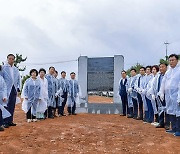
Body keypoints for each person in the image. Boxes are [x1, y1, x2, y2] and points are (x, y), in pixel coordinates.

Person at [159, 54, 180, 136]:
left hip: (176, 94)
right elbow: (163, 82)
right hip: (169, 95)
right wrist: (161, 92)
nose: (171, 62)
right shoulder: (168, 71)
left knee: (178, 112)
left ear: (177, 60)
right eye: (170, 60)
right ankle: (173, 128)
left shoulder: (179, 70)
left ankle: (178, 129)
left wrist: (179, 96)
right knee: (170, 111)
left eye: (173, 60)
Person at [1, 54, 20, 128]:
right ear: (7, 59)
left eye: (12, 59)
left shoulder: (16, 69)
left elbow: (18, 79)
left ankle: (10, 121)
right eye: (10, 59)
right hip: (6, 89)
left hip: (13, 88)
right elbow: (1, 78)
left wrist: (18, 88)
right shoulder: (3, 68)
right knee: (6, 105)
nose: (11, 60)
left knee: (12, 105)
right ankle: (5, 121)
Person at [151, 63, 170, 129]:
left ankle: (167, 124)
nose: (161, 68)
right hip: (159, 94)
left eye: (163, 67)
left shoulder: (168, 75)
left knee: (167, 109)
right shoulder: (158, 76)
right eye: (160, 67)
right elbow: (154, 85)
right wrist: (154, 93)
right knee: (160, 109)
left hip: (167, 94)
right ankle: (161, 122)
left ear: (166, 67)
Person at [0, 65, 11, 131]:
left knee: (0, 110)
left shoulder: (1, 78)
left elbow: (4, 88)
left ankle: (0, 124)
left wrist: (4, 96)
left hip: (0, 96)